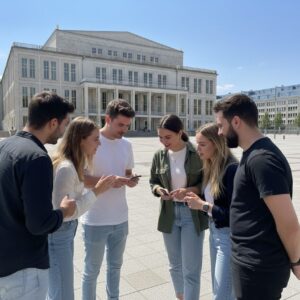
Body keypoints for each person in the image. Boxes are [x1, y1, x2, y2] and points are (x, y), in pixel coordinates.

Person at [214, 94, 300, 300]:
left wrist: (297, 262)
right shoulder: (252, 154)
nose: (219, 132)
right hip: (251, 264)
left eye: (220, 125)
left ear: (236, 121)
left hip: (259, 268)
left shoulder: (262, 159)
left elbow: (288, 223)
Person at [0, 91, 76, 300]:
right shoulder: (37, 158)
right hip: (24, 271)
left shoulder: (5, 145)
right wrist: (63, 211)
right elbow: (39, 223)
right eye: (64, 123)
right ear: (53, 123)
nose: (64, 130)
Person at [46, 117, 116, 300]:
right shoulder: (66, 168)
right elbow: (63, 211)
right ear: (80, 140)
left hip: (65, 232)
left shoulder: (74, 165)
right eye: (95, 139)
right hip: (59, 233)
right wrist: (97, 191)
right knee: (63, 293)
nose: (99, 144)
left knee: (57, 289)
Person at [81, 99, 138, 300]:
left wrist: (130, 180)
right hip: (95, 219)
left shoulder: (127, 145)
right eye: (120, 125)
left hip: (121, 219)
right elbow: (81, 178)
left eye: (127, 126)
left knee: (115, 269)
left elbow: (128, 172)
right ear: (108, 119)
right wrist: (109, 181)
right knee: (91, 272)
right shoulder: (91, 141)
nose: (124, 129)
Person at [149, 114, 208, 300]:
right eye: (160, 137)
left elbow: (205, 184)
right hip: (169, 214)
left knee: (191, 268)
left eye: (167, 137)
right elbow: (153, 181)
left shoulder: (196, 153)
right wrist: (159, 190)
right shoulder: (159, 155)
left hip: (192, 213)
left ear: (180, 133)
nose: (163, 141)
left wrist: (188, 190)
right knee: (174, 264)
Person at [184, 123, 238, 300]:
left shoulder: (231, 169)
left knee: (222, 294)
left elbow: (233, 215)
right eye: (197, 143)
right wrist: (193, 195)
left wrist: (203, 205)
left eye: (202, 144)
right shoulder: (211, 166)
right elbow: (214, 200)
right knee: (219, 290)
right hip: (214, 231)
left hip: (227, 236)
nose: (197, 148)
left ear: (216, 143)